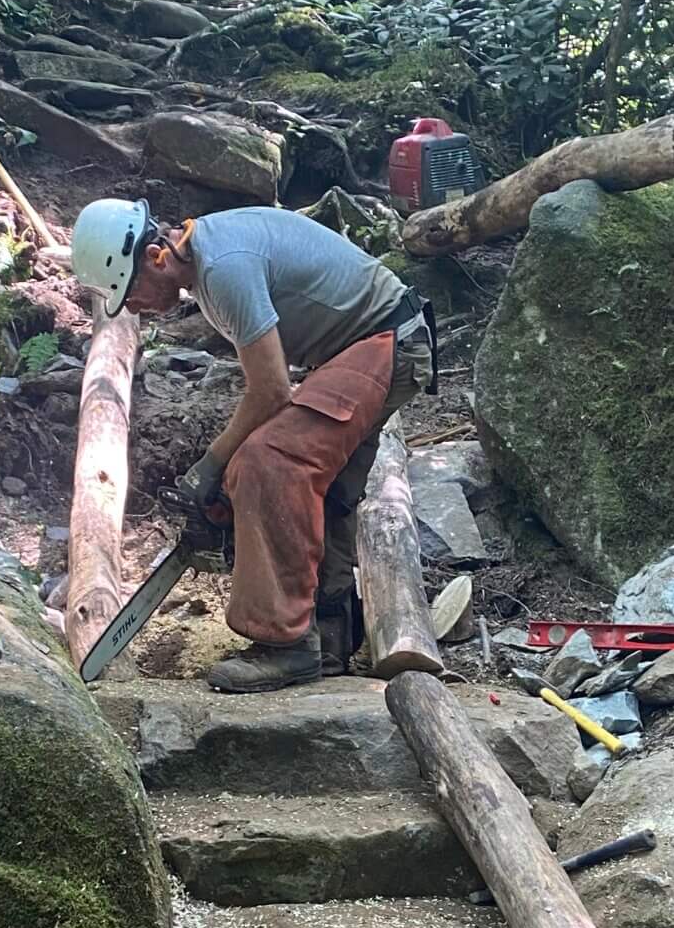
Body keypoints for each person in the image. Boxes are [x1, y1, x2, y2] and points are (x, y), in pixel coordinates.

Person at [70, 198, 433, 692]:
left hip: (383, 338)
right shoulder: (209, 263)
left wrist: (213, 465)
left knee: (270, 462)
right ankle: (328, 634)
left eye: (130, 293)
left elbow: (271, 390)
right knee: (323, 487)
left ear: (155, 255)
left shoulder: (223, 267)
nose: (132, 307)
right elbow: (272, 390)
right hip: (370, 340)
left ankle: (285, 644)